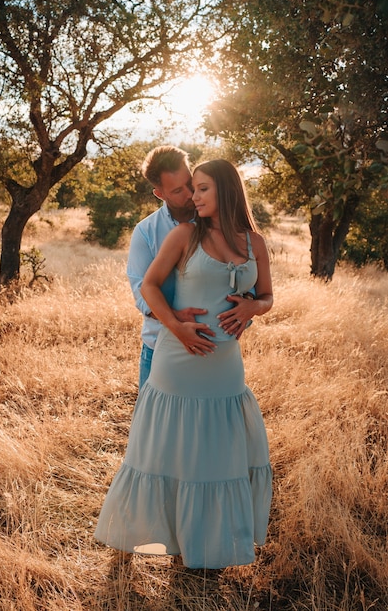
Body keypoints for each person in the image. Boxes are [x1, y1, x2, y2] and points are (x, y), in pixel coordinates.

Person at [95, 159, 273, 569]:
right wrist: (177, 327)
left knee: (213, 455)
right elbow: (148, 286)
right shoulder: (184, 234)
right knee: (164, 451)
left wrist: (251, 309)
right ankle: (151, 538)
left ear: (226, 191)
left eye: (203, 189)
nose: (194, 197)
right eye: (192, 190)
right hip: (178, 360)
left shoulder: (255, 243)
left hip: (225, 366)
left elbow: (267, 296)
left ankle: (202, 548)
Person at [127, 145, 213, 389]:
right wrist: (175, 321)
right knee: (153, 427)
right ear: (159, 194)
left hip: (210, 349)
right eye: (177, 190)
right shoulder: (146, 232)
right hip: (158, 348)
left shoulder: (216, 222)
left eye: (190, 183)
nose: (190, 194)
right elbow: (141, 293)